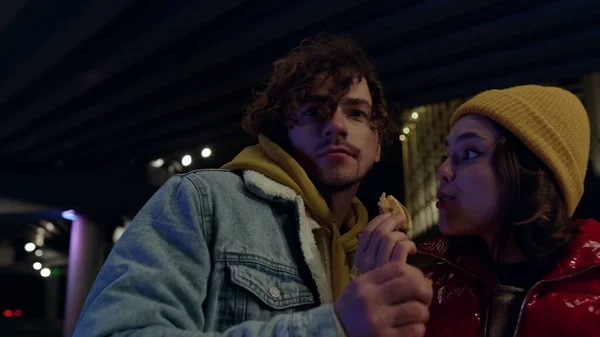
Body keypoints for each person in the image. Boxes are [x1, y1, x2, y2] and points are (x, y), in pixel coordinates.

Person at [73, 33, 432, 337]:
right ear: (283, 132)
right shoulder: (203, 201)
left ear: (378, 143)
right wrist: (332, 325)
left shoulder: (367, 252)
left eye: (356, 113)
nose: (337, 125)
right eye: (314, 111)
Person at [417, 85, 600, 337]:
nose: (443, 171)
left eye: (469, 152)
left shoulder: (591, 294)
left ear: (531, 170)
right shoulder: (429, 290)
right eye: (446, 155)